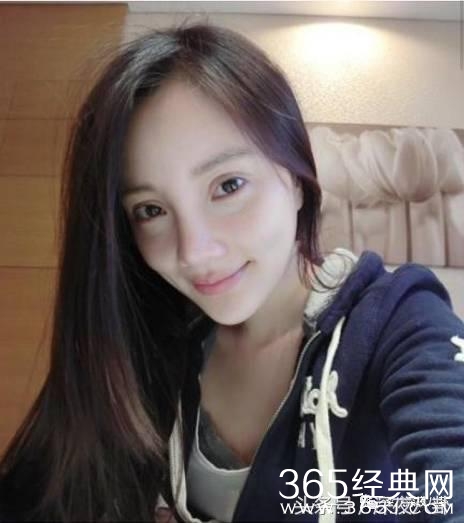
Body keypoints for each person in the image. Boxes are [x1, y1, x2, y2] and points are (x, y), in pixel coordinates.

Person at [1, 21, 463, 523]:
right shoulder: (146, 339)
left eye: (228, 185)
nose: (194, 252)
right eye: (151, 210)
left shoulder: (401, 324)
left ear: (297, 180)